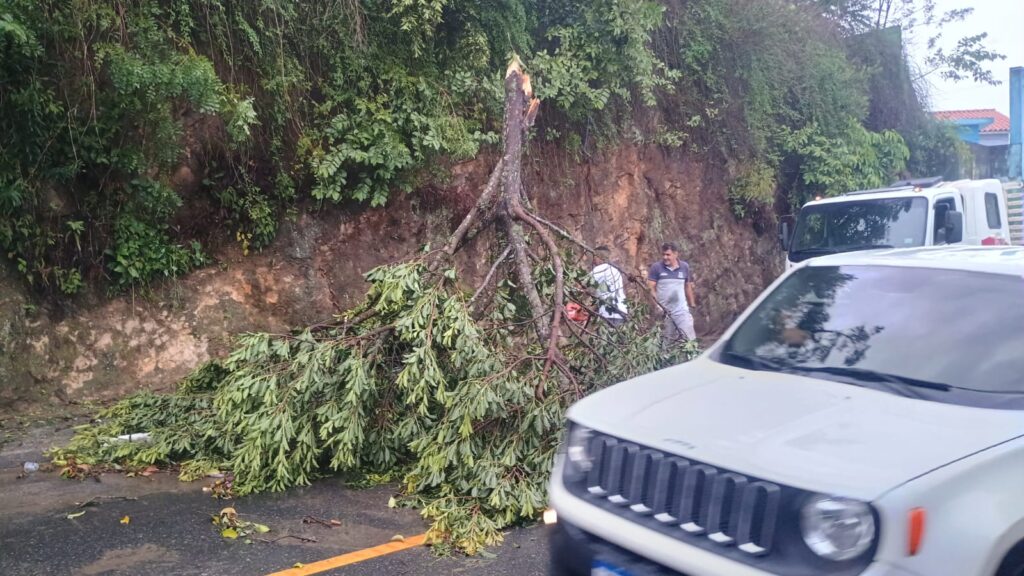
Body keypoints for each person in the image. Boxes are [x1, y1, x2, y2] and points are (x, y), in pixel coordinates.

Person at [647, 242, 696, 346]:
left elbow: (687, 286)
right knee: (665, 343)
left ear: (675, 254)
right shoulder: (656, 267)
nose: (665, 257)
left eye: (668, 255)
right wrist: (657, 306)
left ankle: (691, 359)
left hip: (681, 311)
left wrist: (692, 303)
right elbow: (651, 287)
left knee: (689, 341)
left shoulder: (684, 267)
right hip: (664, 312)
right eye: (663, 254)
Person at [590, 246, 627, 328]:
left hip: (608, 314)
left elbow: (585, 284)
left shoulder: (599, 269)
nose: (593, 260)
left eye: (594, 257)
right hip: (621, 312)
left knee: (604, 339)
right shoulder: (615, 271)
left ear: (599, 257)